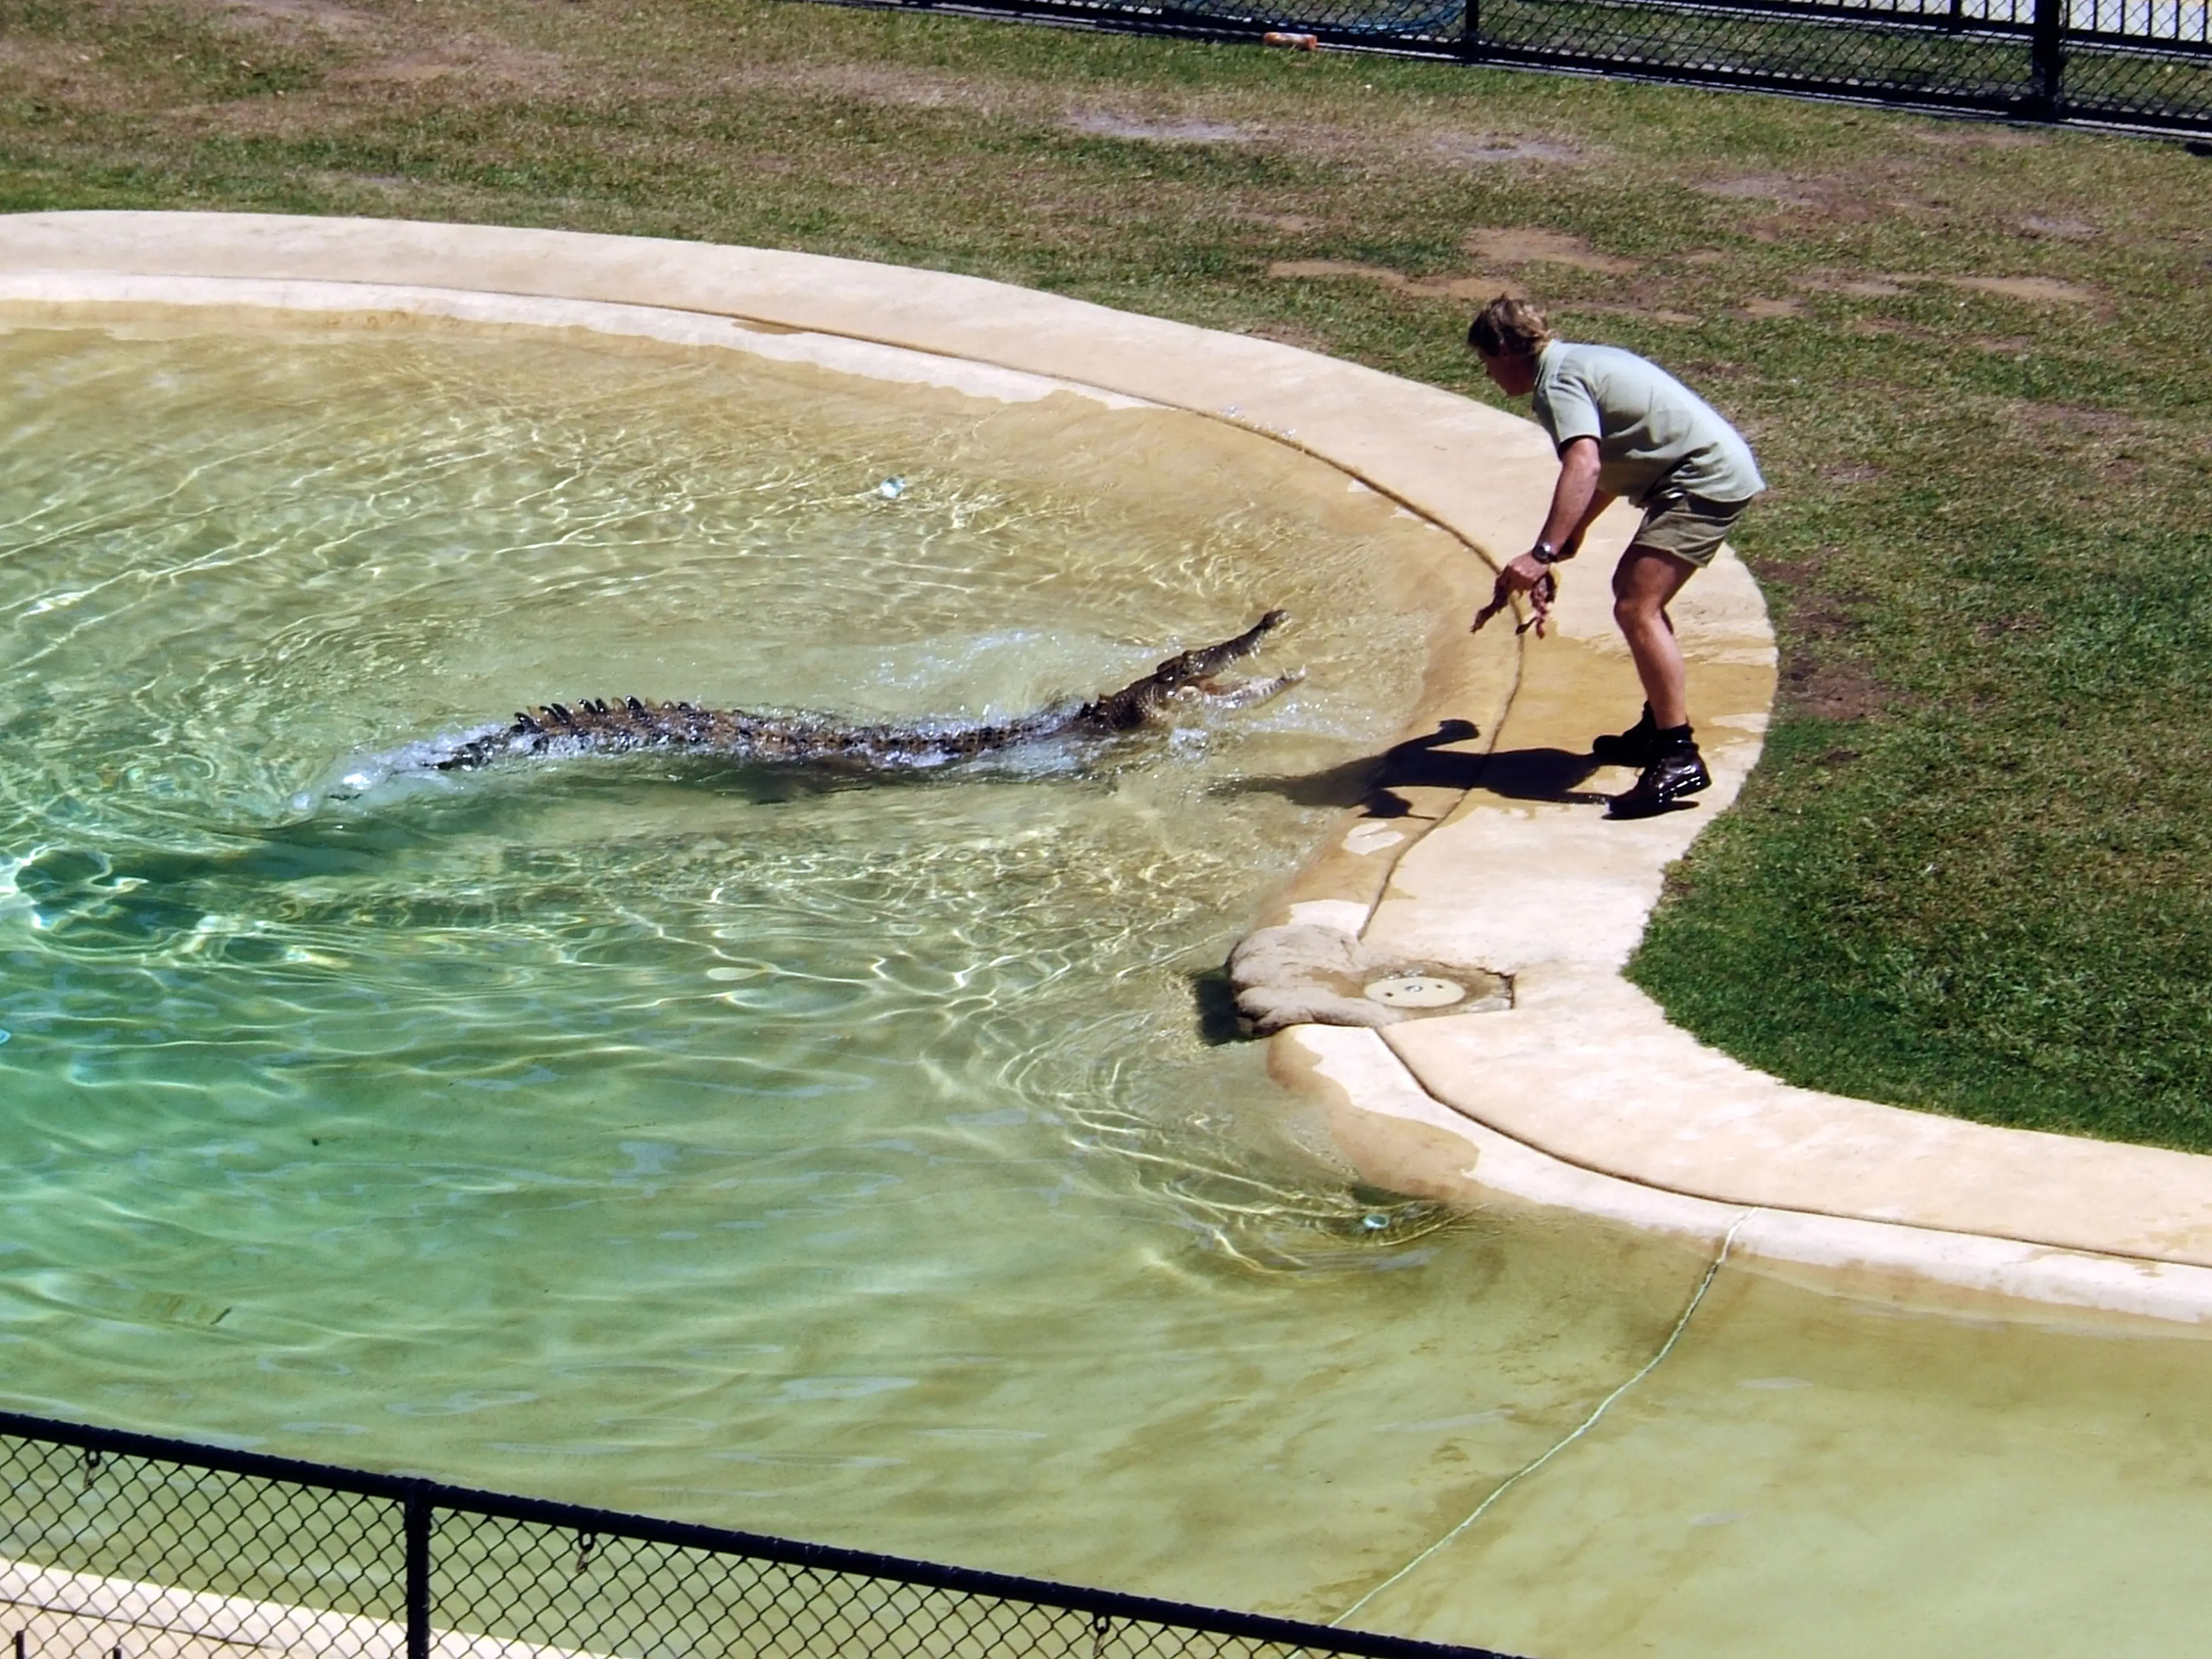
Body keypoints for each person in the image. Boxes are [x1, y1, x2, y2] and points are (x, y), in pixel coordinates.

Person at [1466, 296, 1764, 820]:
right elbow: (1612, 457)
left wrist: (1541, 554)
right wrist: (1569, 538)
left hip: (1702, 481)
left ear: (1508, 352)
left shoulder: (1557, 385)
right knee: (1636, 592)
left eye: (1486, 362)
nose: (1487, 374)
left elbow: (1583, 463)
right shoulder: (1577, 362)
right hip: (1701, 474)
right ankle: (1658, 728)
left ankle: (1678, 754)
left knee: (1636, 605)